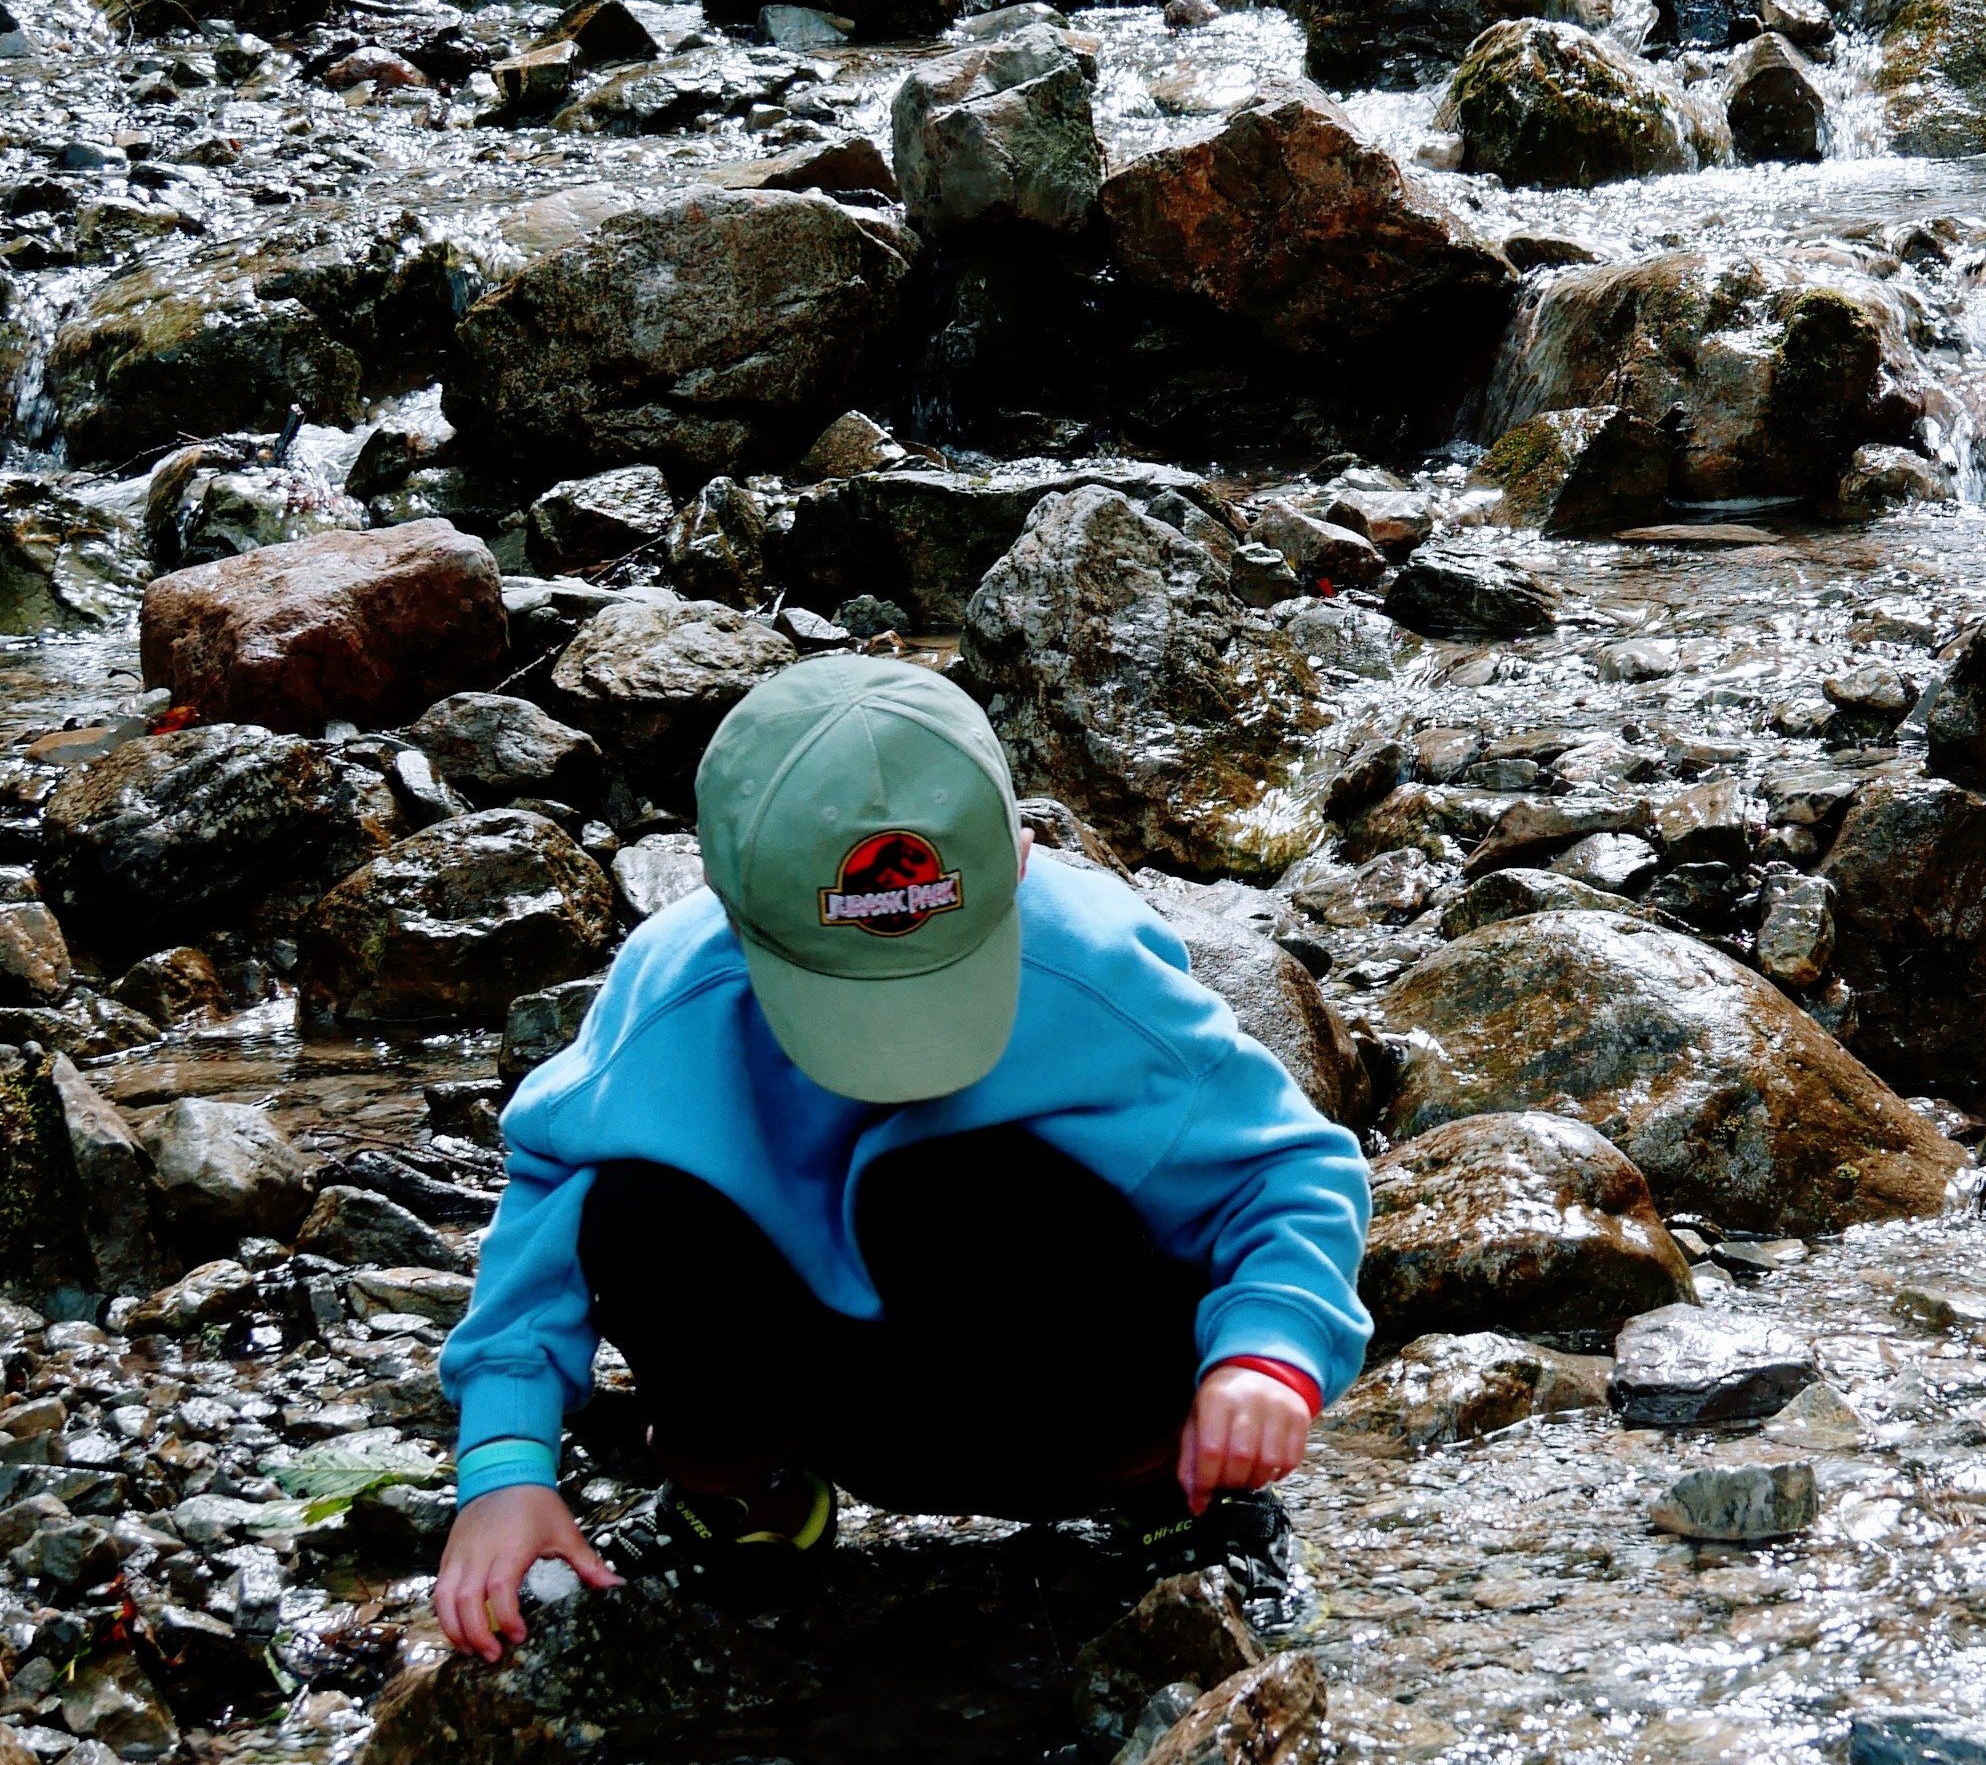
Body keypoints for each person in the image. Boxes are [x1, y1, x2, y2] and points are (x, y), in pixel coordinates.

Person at [431, 651, 1369, 1661]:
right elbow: (549, 1212)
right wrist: (504, 1465)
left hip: (1072, 1402)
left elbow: (1290, 1174)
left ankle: (1167, 1500)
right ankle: (750, 1498)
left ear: (1017, 860)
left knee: (953, 1181)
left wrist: (1266, 1358)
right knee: (634, 1204)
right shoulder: (673, 999)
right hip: (826, 1400)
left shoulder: (1089, 971)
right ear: (729, 909)